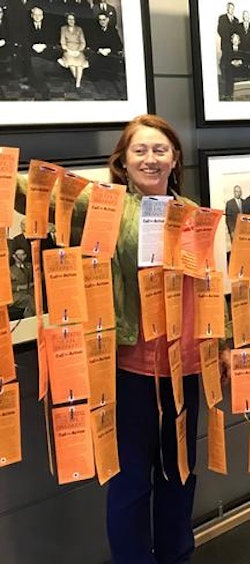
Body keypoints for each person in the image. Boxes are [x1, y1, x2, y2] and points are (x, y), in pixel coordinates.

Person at [13, 115, 215, 563]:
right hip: (130, 371)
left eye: (160, 149)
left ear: (175, 158)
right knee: (129, 484)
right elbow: (34, 188)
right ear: (122, 161)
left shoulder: (193, 214)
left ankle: (177, 558)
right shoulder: (106, 206)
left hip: (185, 371)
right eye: (139, 150)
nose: (150, 158)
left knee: (179, 476)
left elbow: (211, 284)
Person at [86, 11, 123, 82]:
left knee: (113, 70)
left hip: (110, 53)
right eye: (100, 20)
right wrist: (99, 50)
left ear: (107, 19)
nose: (102, 22)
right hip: (99, 53)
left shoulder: (113, 30)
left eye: (104, 20)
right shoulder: (95, 30)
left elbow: (118, 45)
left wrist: (109, 50)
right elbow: (92, 43)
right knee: (94, 64)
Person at [58, 12, 88, 89]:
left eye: (73, 19)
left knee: (80, 65)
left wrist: (78, 51)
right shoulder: (63, 28)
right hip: (68, 50)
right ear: (67, 20)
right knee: (72, 63)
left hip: (78, 50)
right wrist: (69, 50)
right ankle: (78, 79)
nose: (71, 21)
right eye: (69, 19)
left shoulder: (79, 29)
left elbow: (83, 42)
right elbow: (62, 42)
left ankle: (77, 84)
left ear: (75, 20)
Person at [219, 32, 250, 101]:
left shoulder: (243, 49)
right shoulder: (227, 50)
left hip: (241, 69)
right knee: (229, 70)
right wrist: (231, 62)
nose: (235, 40)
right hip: (231, 69)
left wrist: (241, 61)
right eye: (234, 38)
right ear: (231, 40)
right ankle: (229, 95)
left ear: (239, 41)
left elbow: (248, 59)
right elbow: (223, 61)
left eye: (237, 38)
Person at [9, 247, 35, 320]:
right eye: (18, 255)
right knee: (29, 298)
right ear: (14, 256)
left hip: (29, 291)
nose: (20, 257)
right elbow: (6, 286)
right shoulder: (10, 270)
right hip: (16, 295)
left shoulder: (29, 266)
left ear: (25, 256)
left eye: (22, 255)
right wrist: (19, 287)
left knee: (34, 296)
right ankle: (36, 315)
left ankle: (29, 316)